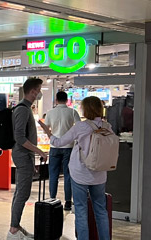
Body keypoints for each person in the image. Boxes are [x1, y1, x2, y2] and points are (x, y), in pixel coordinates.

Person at [40, 96, 112, 240]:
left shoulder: (81, 127)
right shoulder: (107, 126)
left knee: (81, 210)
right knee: (101, 210)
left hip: (80, 173)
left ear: (86, 109)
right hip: (99, 174)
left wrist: (48, 132)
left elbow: (59, 142)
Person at [7, 78, 48, 240]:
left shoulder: (24, 108)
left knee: (21, 193)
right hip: (22, 155)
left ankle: (15, 226)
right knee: (22, 193)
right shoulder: (23, 110)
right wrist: (39, 151)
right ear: (33, 91)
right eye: (38, 89)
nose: (39, 93)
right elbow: (19, 137)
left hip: (24, 155)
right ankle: (13, 229)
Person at [41, 91, 82, 211]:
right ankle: (68, 202)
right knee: (68, 175)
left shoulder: (50, 113)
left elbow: (45, 129)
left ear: (56, 100)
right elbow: (79, 126)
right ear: (67, 100)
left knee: (53, 175)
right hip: (69, 147)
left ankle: (52, 199)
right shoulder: (73, 112)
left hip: (54, 147)